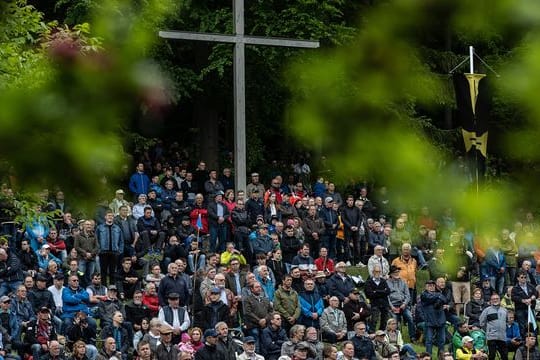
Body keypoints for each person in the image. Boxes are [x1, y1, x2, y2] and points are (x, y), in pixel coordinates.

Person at [387, 265, 415, 341]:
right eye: (395, 272)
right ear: (391, 274)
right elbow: (387, 297)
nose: (397, 273)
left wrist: (404, 304)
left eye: (398, 272)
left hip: (403, 304)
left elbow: (408, 295)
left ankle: (412, 336)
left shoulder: (404, 281)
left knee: (410, 317)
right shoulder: (387, 283)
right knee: (395, 321)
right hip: (393, 305)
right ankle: (397, 338)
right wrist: (391, 306)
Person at [244, 281, 273, 352]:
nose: (259, 288)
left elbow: (271, 311)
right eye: (256, 287)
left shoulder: (265, 299)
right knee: (256, 344)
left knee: (265, 343)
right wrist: (259, 320)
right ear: (252, 289)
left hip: (265, 325)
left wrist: (265, 319)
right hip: (253, 326)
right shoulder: (247, 299)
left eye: (260, 287)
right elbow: (248, 312)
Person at [421, 279, 447, 359]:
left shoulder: (438, 293)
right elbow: (428, 298)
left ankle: (441, 357)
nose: (431, 287)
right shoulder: (423, 294)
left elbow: (445, 300)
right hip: (430, 321)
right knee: (429, 341)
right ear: (426, 287)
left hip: (441, 320)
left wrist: (438, 297)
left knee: (442, 341)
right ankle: (428, 357)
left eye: (432, 285)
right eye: (429, 286)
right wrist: (438, 296)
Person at [96, 210, 123, 286]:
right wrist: (99, 250)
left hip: (114, 252)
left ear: (113, 217)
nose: (110, 217)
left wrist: (119, 251)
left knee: (113, 271)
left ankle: (112, 287)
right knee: (103, 271)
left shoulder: (117, 228)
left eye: (111, 216)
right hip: (103, 252)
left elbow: (121, 241)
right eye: (108, 215)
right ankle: (104, 287)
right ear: (105, 217)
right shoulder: (100, 228)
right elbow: (96, 239)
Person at [479, 293, 508, 360]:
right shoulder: (487, 310)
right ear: (491, 301)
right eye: (493, 299)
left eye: (497, 299)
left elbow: (506, 321)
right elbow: (482, 322)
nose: (495, 300)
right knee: (492, 355)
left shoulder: (504, 310)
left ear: (500, 300)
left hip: (502, 337)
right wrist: (488, 330)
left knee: (504, 356)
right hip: (491, 337)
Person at [511, 270, 538, 336]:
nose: (524, 279)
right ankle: (523, 341)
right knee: (522, 326)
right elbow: (514, 297)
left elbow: (536, 293)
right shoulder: (515, 288)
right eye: (522, 277)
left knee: (533, 325)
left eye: (525, 277)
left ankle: (534, 341)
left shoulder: (530, 285)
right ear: (518, 278)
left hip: (530, 308)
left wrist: (531, 298)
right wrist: (523, 300)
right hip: (520, 309)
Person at [365, 264, 390, 331]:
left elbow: (388, 291)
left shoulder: (383, 281)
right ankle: (372, 334)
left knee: (384, 321)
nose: (377, 273)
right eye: (376, 271)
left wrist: (376, 291)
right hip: (374, 304)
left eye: (379, 271)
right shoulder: (368, 282)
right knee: (374, 320)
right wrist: (382, 292)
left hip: (384, 303)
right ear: (373, 272)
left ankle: (381, 334)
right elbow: (369, 294)